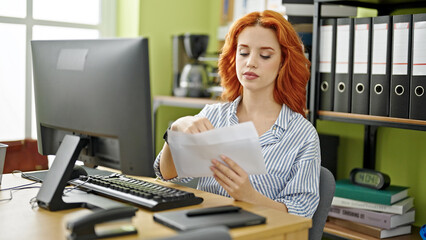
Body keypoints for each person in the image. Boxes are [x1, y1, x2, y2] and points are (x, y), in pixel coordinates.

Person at [153, 10, 320, 218]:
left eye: (265, 55)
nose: (251, 62)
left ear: (283, 63)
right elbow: (168, 176)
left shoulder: (303, 135)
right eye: (243, 52)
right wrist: (175, 130)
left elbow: (301, 215)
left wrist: (249, 195)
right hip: (207, 228)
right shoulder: (213, 115)